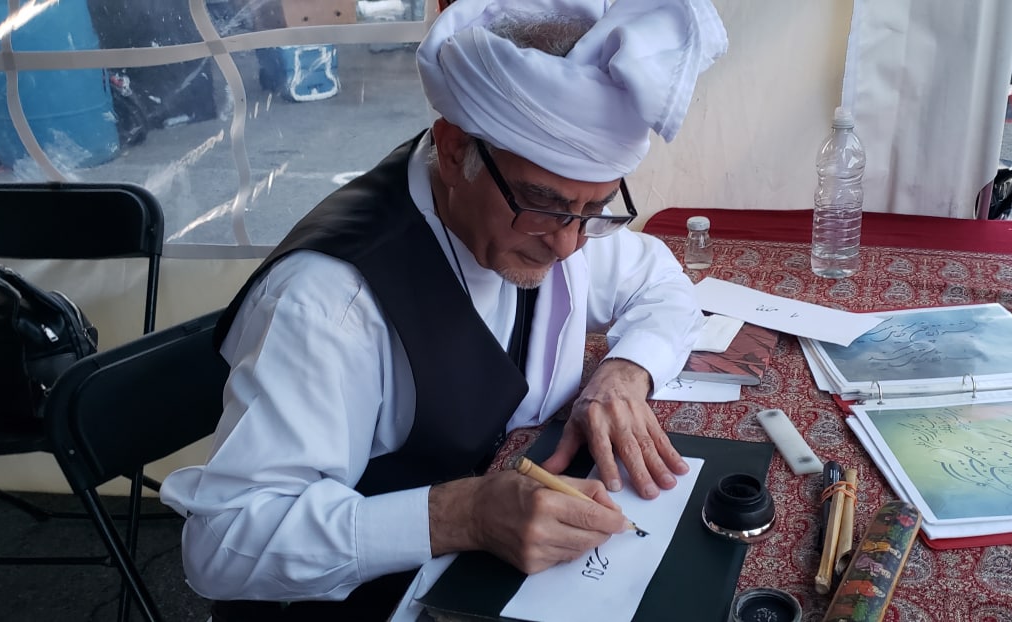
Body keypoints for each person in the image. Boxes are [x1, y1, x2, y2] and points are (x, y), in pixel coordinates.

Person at [160, 0, 726, 619]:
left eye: (594, 211)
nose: (568, 246)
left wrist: (624, 373)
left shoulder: (555, 214)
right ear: (454, 151)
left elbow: (660, 281)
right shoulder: (329, 300)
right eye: (544, 205)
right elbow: (222, 545)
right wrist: (463, 514)